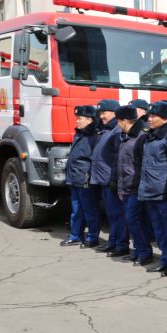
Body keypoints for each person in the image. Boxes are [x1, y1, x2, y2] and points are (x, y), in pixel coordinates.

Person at [137, 101, 167, 276]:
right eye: (149, 115)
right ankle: (165, 259)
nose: (150, 119)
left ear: (164, 118)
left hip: (163, 192)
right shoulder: (151, 135)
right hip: (150, 191)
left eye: (154, 116)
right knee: (159, 230)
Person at [90, 99, 129, 257]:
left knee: (118, 215)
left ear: (114, 112)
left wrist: (115, 179)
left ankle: (121, 245)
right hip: (103, 179)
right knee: (111, 214)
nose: (101, 116)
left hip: (111, 179)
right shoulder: (106, 129)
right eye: (99, 113)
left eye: (104, 112)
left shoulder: (117, 130)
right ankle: (113, 242)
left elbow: (118, 157)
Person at [115, 105, 153, 266]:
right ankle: (139, 251)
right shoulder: (126, 137)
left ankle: (144, 252)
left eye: (119, 121)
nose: (117, 124)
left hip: (136, 187)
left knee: (133, 219)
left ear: (125, 121)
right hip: (127, 186)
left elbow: (143, 164)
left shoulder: (140, 137)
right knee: (135, 220)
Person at [61, 105, 101, 248]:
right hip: (75, 177)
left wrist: (89, 177)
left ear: (90, 120)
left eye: (80, 118)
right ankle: (76, 235)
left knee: (89, 210)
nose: (77, 121)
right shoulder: (79, 134)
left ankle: (92, 237)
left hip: (85, 178)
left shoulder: (94, 136)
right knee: (76, 210)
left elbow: (95, 159)